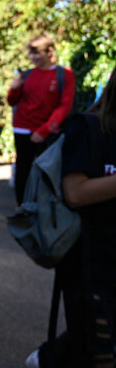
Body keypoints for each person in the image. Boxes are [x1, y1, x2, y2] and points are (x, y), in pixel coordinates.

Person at [25, 67, 116, 368]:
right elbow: (75, 193)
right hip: (88, 257)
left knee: (91, 341)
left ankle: (49, 358)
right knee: (99, 347)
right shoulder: (88, 128)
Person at [8, 34, 75, 206]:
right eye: (31, 54)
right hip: (23, 128)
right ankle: (22, 207)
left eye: (37, 53)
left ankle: (44, 208)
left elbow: (64, 106)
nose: (33, 58)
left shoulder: (64, 75)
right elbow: (12, 102)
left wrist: (45, 130)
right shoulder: (26, 74)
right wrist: (13, 90)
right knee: (23, 169)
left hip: (48, 131)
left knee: (48, 170)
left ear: (49, 51)